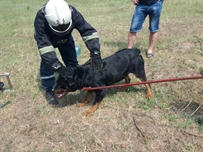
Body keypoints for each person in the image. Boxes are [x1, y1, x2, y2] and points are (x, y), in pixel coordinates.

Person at [34, 0, 103, 105]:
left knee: (72, 62)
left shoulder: (72, 12)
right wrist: (58, 67)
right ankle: (49, 89)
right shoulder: (40, 20)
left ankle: (73, 83)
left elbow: (88, 32)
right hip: (48, 41)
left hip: (66, 39)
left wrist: (95, 52)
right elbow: (45, 48)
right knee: (47, 64)